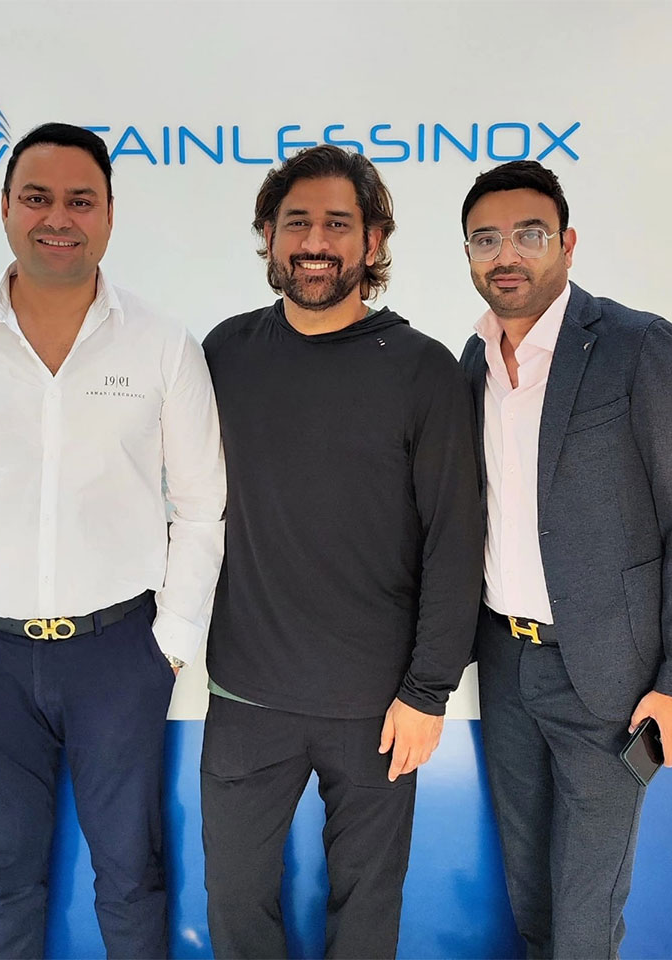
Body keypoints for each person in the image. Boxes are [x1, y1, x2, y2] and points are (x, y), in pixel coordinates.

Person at [0, 123, 226, 959]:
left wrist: (170, 641)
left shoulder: (162, 341)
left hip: (119, 656)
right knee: (5, 875)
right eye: (37, 197)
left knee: (132, 874)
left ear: (109, 216)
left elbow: (203, 503)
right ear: (4, 209)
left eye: (79, 200)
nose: (56, 217)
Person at [199, 144, 483, 959]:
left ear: (374, 241)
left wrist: (428, 692)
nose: (315, 241)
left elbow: (455, 543)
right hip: (247, 696)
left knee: (366, 911)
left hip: (379, 706)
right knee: (237, 904)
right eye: (297, 223)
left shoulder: (424, 371)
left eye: (337, 223)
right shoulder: (224, 354)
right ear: (267, 234)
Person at [458, 160, 672, 959]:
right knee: (530, 898)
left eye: (530, 234)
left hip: (606, 676)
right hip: (505, 664)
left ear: (567, 245)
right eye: (486, 239)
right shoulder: (469, 364)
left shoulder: (640, 346)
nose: (509, 254)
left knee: (584, 916)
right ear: (468, 256)